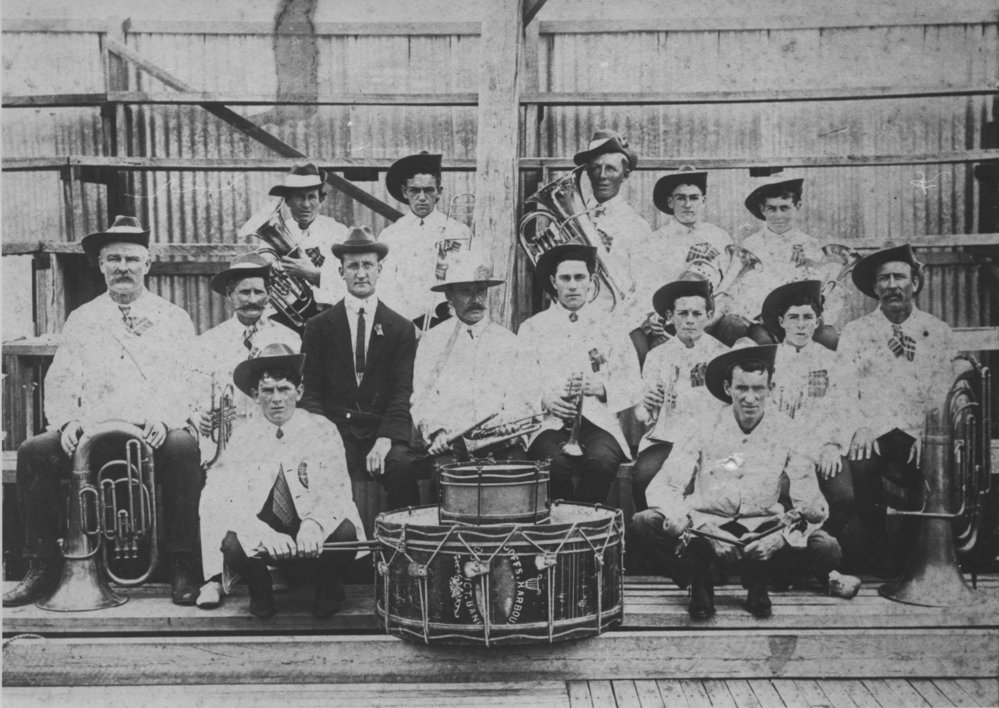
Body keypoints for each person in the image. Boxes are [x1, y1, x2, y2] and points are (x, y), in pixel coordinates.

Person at [3, 216, 202, 607]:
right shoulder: (83, 318)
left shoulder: (173, 318)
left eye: (131, 259)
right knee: (33, 451)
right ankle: (41, 568)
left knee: (184, 450)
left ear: (147, 264)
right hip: (92, 436)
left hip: (150, 436)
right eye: (114, 260)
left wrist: (165, 418)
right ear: (101, 266)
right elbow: (60, 382)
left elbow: (187, 380)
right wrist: (68, 422)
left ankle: (182, 564)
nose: (122, 268)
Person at [629, 344, 858, 619]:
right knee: (643, 523)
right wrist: (702, 527)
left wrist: (779, 538)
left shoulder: (788, 430)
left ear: (770, 388)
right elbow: (665, 486)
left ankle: (757, 579)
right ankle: (700, 579)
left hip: (761, 528)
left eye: (758, 389)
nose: (750, 398)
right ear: (727, 388)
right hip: (708, 529)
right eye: (741, 388)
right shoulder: (702, 425)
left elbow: (808, 500)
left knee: (827, 548)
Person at [196, 344, 366, 618]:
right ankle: (259, 590)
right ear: (255, 395)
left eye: (284, 389)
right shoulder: (243, 437)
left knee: (345, 533)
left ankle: (329, 587)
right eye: (267, 391)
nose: (276, 399)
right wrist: (262, 533)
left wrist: (314, 524)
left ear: (299, 392)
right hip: (267, 528)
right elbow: (229, 500)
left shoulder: (322, 429)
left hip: (309, 526)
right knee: (232, 545)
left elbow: (338, 492)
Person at [817, 244, 955, 573]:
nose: (892, 285)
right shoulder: (857, 331)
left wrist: (930, 433)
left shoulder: (937, 332)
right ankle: (876, 550)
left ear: (915, 283)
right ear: (875, 287)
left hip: (919, 430)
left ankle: (917, 555)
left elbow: (943, 389)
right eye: (884, 279)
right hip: (874, 430)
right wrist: (860, 428)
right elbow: (843, 389)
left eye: (899, 277)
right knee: (861, 460)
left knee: (935, 465)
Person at [299, 226, 421, 509]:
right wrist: (326, 437)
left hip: (382, 430)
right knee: (319, 467)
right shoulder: (317, 327)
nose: (361, 273)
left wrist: (385, 439)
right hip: (336, 430)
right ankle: (332, 547)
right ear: (341, 272)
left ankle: (404, 547)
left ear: (380, 269)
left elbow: (402, 393)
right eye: (353, 266)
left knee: (402, 466)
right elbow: (310, 393)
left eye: (368, 265)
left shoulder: (401, 328)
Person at [516, 244, 641, 504]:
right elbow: (520, 381)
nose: (572, 285)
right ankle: (568, 527)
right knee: (553, 467)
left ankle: (579, 525)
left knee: (602, 462)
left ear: (591, 282)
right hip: (550, 423)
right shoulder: (533, 328)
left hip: (599, 423)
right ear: (553, 282)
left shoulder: (611, 326)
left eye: (579, 277)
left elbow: (633, 383)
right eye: (565, 278)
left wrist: (601, 388)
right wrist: (545, 400)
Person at [412, 251, 531, 463]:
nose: (476, 300)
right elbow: (422, 396)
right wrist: (437, 432)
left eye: (481, 291)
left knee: (517, 478)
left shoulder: (509, 341)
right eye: (466, 292)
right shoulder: (432, 341)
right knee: (448, 479)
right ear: (450, 295)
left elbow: (521, 394)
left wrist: (512, 420)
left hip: (500, 440)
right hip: (451, 441)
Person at [760, 280, 853, 540]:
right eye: (793, 317)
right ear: (781, 321)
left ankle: (818, 550)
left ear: (817, 321)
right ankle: (788, 553)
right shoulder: (768, 359)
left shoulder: (831, 360)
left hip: (821, 446)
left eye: (807, 317)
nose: (800, 324)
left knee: (843, 496)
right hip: (779, 448)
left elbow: (845, 407)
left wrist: (833, 445)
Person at [192, 254, 301, 461]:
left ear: (268, 295)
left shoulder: (289, 339)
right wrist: (200, 417)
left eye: (258, 292)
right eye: (244, 292)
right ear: (229, 294)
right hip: (228, 449)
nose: (252, 299)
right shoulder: (207, 342)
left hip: (277, 444)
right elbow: (195, 397)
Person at [632, 280, 727, 509]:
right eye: (682, 313)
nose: (690, 320)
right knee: (644, 476)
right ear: (670, 316)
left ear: (709, 315)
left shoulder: (722, 354)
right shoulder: (656, 356)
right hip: (666, 439)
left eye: (697, 313)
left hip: (709, 440)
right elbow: (641, 414)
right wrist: (645, 404)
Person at [736, 176, 841, 344]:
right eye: (772, 209)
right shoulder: (750, 246)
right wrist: (762, 316)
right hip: (764, 321)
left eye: (785, 208)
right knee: (763, 343)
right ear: (762, 209)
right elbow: (743, 292)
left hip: (803, 320)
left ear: (797, 207)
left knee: (830, 338)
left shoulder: (811, 245)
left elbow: (823, 289)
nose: (778, 215)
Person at [377, 152, 471, 325]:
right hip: (403, 324)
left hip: (447, 320)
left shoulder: (458, 231)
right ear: (405, 192)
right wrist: (403, 324)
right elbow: (385, 287)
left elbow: (466, 280)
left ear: (439, 192)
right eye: (415, 190)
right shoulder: (390, 235)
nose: (421, 197)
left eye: (428, 190)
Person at [253, 162, 350, 310]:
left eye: (311, 197)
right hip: (287, 315)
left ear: (321, 199)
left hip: (331, 313)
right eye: (299, 197)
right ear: (287, 201)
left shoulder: (339, 233)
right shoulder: (273, 235)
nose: (306, 204)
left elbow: (350, 281)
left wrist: (314, 275)